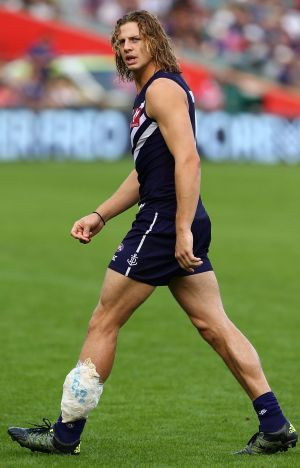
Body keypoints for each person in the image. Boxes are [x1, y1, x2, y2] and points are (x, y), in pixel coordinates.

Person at [8, 10, 297, 457]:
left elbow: (189, 160)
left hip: (164, 223)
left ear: (154, 42)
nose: (126, 47)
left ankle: (65, 437)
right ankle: (275, 424)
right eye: (120, 40)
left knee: (104, 320)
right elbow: (147, 172)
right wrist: (101, 214)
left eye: (135, 38)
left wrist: (180, 229)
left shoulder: (162, 89)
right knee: (213, 324)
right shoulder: (153, 92)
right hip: (175, 218)